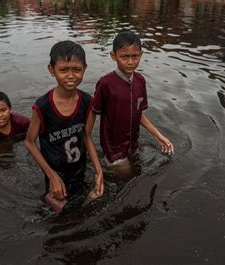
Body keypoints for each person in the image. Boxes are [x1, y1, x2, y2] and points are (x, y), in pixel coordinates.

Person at [24, 40, 104, 212]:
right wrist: (51, 175)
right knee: (61, 217)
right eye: (63, 70)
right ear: (51, 70)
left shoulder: (87, 101)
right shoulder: (43, 106)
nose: (70, 76)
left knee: (88, 207)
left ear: (84, 68)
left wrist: (99, 171)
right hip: (56, 174)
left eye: (76, 70)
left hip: (79, 170)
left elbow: (87, 136)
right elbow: (29, 142)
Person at [92, 31, 174, 167]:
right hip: (114, 151)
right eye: (124, 57)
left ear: (141, 55)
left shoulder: (140, 81)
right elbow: (93, 112)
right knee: (131, 177)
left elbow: (138, 113)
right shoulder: (105, 84)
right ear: (113, 56)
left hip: (133, 146)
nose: (130, 62)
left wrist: (158, 135)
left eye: (135, 56)